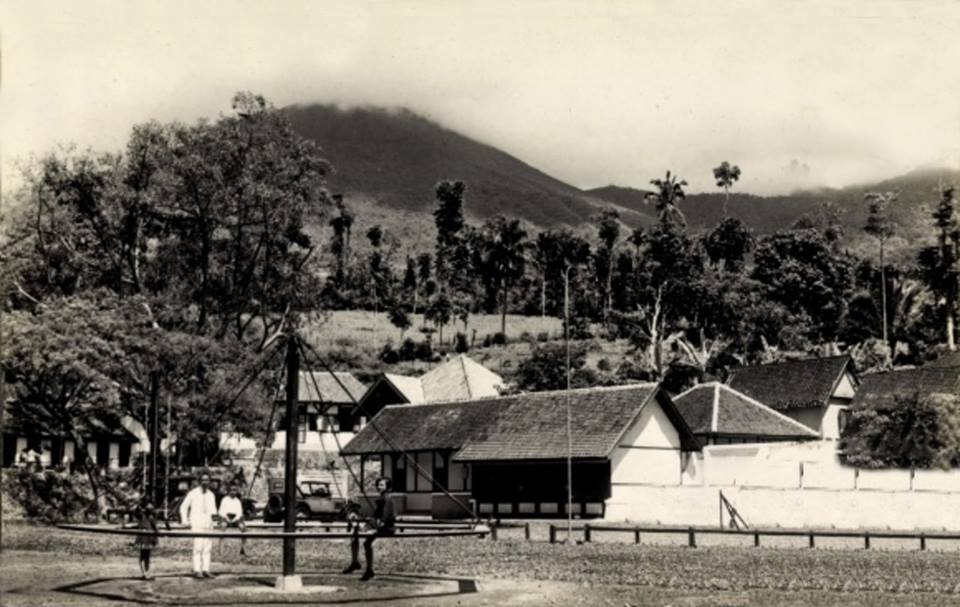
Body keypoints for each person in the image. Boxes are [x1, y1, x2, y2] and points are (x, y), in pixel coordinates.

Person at [343, 477, 395, 581]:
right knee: (356, 532)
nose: (379, 487)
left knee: (366, 542)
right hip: (380, 524)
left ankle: (368, 569)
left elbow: (385, 516)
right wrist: (368, 520)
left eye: (382, 485)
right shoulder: (383, 497)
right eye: (378, 485)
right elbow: (378, 516)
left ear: (387, 487)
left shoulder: (387, 498)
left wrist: (375, 528)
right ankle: (355, 562)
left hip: (386, 527)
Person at [179, 473, 218, 579]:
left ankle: (206, 570)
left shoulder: (211, 495)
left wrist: (216, 521)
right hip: (197, 524)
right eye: (203, 480)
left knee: (207, 548)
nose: (205, 482)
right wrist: (185, 521)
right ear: (200, 481)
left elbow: (213, 511)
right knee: (198, 547)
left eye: (207, 480)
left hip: (208, 525)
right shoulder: (193, 493)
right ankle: (197, 570)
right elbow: (183, 507)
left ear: (209, 481)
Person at [128, 498, 169, 580]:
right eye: (148, 505)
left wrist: (158, 532)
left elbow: (155, 526)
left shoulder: (152, 515)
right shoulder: (141, 514)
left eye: (151, 505)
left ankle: (147, 572)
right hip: (143, 536)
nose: (150, 506)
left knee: (147, 555)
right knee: (143, 555)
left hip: (150, 537)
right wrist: (138, 504)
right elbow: (135, 512)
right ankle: (144, 573)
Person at [217, 484, 247, 556]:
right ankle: (221, 551)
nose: (233, 492)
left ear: (236, 492)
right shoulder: (224, 500)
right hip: (226, 518)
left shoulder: (238, 501)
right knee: (223, 526)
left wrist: (235, 519)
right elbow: (221, 512)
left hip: (235, 519)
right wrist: (227, 519)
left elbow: (239, 513)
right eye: (231, 490)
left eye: (234, 490)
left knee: (243, 527)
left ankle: (243, 549)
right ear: (228, 491)